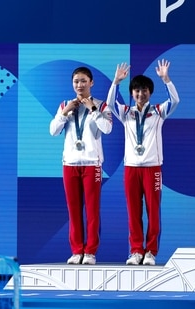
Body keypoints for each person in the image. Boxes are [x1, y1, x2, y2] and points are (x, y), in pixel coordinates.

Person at [106, 59, 180, 266]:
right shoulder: (126, 113)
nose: (140, 94)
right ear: (132, 94)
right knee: (133, 212)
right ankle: (136, 250)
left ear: (150, 92)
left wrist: (167, 80)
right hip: (131, 169)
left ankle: (151, 252)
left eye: (144, 90)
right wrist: (115, 82)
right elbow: (110, 104)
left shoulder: (158, 111)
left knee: (153, 211)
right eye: (136, 91)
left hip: (152, 169)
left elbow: (175, 101)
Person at [49, 66, 113, 265]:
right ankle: (77, 251)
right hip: (70, 164)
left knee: (92, 211)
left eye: (84, 81)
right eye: (76, 81)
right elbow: (53, 131)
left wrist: (92, 109)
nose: (79, 85)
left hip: (92, 165)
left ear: (91, 83)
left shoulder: (101, 106)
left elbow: (107, 129)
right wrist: (65, 113)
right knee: (74, 210)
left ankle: (91, 252)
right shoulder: (65, 105)